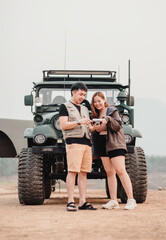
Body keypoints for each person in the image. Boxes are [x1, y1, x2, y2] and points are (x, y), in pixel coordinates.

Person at [91, 91, 137, 210]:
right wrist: (93, 128)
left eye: (99, 101)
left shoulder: (112, 111)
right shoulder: (95, 114)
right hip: (102, 146)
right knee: (110, 173)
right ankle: (113, 200)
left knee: (121, 171)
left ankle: (131, 199)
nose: (97, 104)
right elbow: (98, 129)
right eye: (95, 102)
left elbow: (117, 126)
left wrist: (107, 119)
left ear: (104, 100)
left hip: (115, 144)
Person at [59, 82, 97, 211]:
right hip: (73, 143)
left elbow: (87, 127)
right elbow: (63, 125)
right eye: (80, 94)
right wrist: (78, 121)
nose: (82, 97)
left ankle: (82, 202)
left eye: (84, 95)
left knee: (83, 173)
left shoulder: (85, 108)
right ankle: (70, 201)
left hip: (86, 143)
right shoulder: (64, 107)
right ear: (73, 92)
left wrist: (94, 127)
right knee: (72, 172)